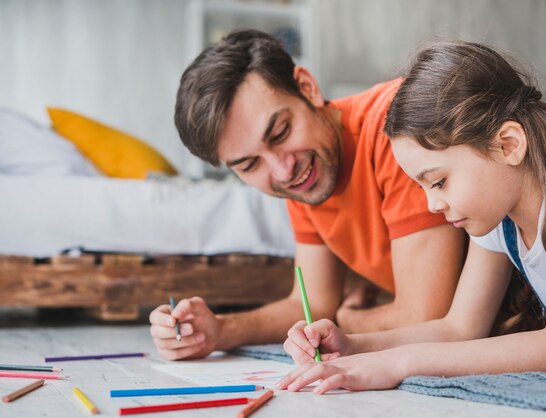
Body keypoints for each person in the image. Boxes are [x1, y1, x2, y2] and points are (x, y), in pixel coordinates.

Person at [278, 41, 546, 394]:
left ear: (507, 144)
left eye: (439, 182)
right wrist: (355, 346)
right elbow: (459, 327)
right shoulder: (497, 212)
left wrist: (398, 363)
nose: (432, 205)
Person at [148, 30, 466, 360]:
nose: (283, 171)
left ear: (307, 87)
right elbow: (314, 302)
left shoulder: (397, 129)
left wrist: (348, 319)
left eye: (281, 132)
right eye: (249, 164)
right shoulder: (304, 175)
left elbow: (425, 319)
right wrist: (217, 330)